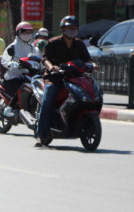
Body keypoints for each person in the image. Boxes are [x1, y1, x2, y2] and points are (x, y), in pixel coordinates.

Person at [35, 15, 97, 146]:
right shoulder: (53, 42)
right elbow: (45, 59)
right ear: (63, 29)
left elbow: (87, 59)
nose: (72, 30)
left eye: (74, 28)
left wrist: (93, 64)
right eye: (69, 28)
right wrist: (51, 67)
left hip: (74, 78)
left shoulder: (79, 44)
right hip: (54, 79)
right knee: (47, 102)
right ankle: (41, 134)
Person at [0, 21, 41, 118]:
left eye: (29, 32)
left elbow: (39, 58)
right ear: (18, 33)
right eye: (24, 32)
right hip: (13, 75)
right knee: (21, 87)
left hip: (28, 75)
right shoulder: (12, 47)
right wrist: (11, 64)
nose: (27, 35)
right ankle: (9, 108)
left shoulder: (32, 48)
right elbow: (4, 60)